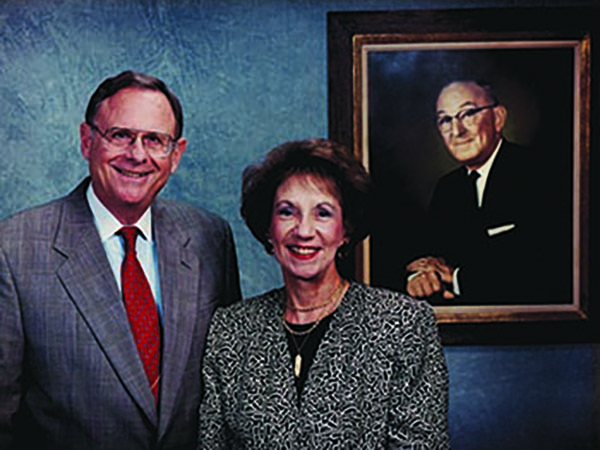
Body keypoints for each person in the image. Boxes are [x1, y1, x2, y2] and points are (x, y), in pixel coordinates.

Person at [0, 70, 241, 449]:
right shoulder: (14, 248)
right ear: (86, 140)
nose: (137, 155)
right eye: (120, 135)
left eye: (155, 140)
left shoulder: (210, 238)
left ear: (175, 155)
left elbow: (226, 392)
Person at [198, 138, 449, 449]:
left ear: (345, 230)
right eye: (287, 212)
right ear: (268, 228)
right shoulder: (231, 330)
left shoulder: (402, 324)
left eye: (323, 213)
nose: (303, 230)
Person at [406, 80, 570, 305]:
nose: (457, 131)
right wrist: (421, 278)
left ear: (498, 118)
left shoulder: (542, 174)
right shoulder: (447, 188)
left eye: (468, 114)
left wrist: (455, 279)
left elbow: (544, 268)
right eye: (445, 120)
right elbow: (427, 256)